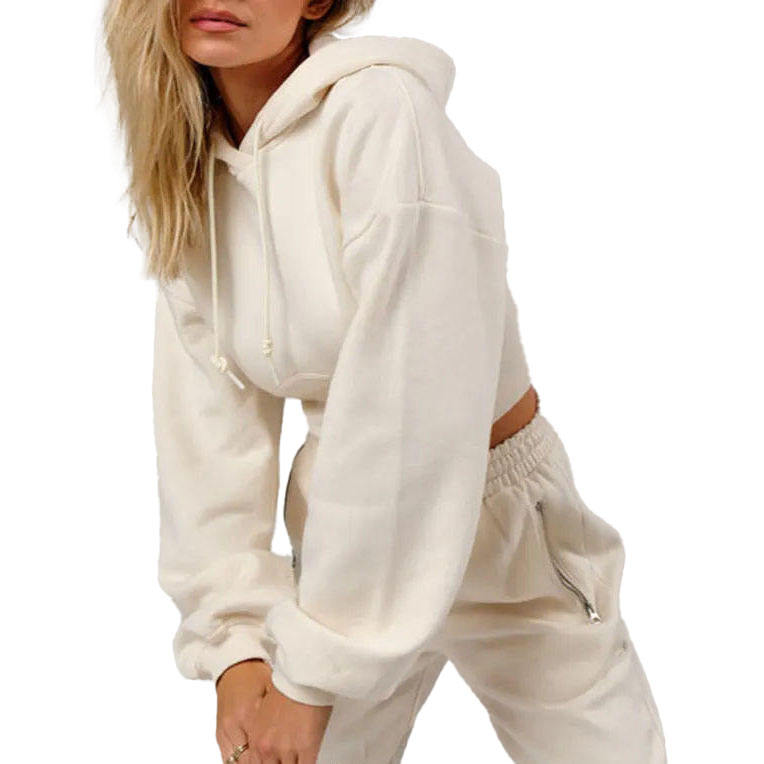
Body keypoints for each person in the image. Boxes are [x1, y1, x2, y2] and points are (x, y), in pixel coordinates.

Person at [103, 1, 668, 761]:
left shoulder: (380, 113)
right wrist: (234, 645)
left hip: (496, 531)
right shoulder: (189, 168)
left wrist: (313, 677)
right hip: (346, 529)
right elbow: (207, 426)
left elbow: (412, 399)